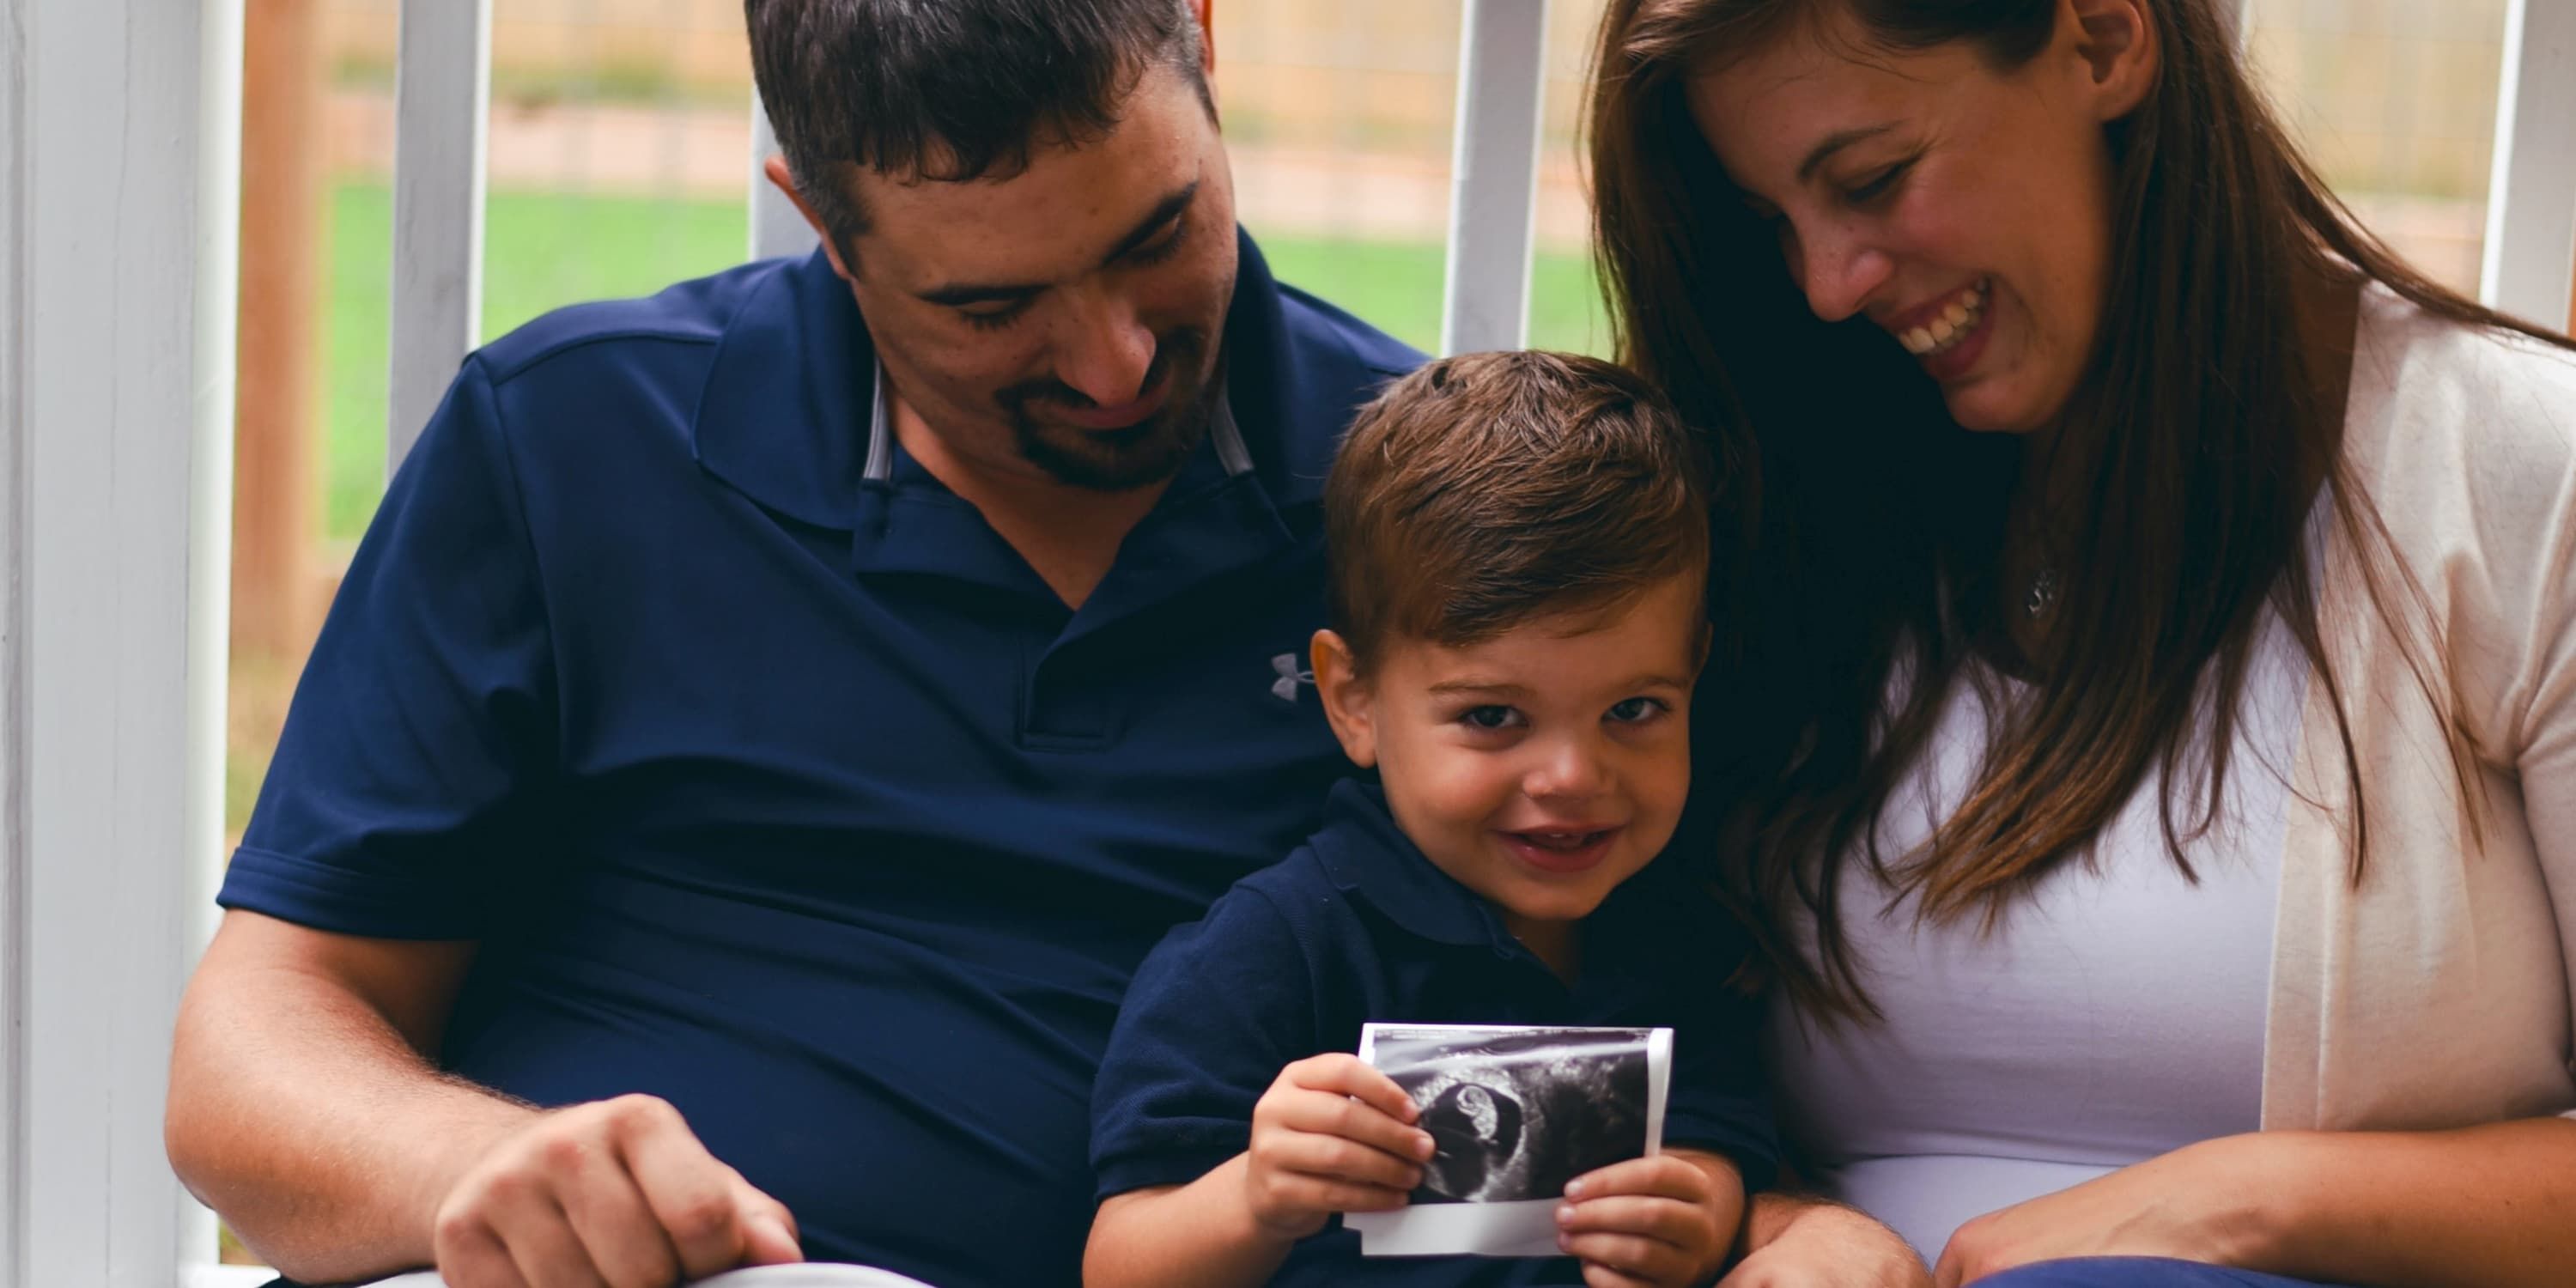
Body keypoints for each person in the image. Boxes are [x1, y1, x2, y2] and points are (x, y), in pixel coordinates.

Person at [161, 3, 1424, 1285]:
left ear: (1204, 45)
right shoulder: (576, 437)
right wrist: (465, 1166)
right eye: (991, 309)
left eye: (1160, 233)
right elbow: (251, 1058)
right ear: (821, 220)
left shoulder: (1432, 501)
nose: (1116, 363)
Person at [1583, 0, 2576, 1286]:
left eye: (1873, 180)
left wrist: (2237, 1204)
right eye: (1773, 222)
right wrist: (1779, 1220)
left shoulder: (2515, 474)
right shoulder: (1782, 487)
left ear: (2104, 41)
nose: (1827, 287)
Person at [1084, 351, 1777, 1288]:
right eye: (1493, 717)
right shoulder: (1273, 949)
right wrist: (1255, 1195)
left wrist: (1699, 1199)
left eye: (1634, 710)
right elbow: (1118, 1266)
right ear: (1353, 701)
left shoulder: (1688, 941)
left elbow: (1720, 1139)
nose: (1573, 777)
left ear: (1693, 674)